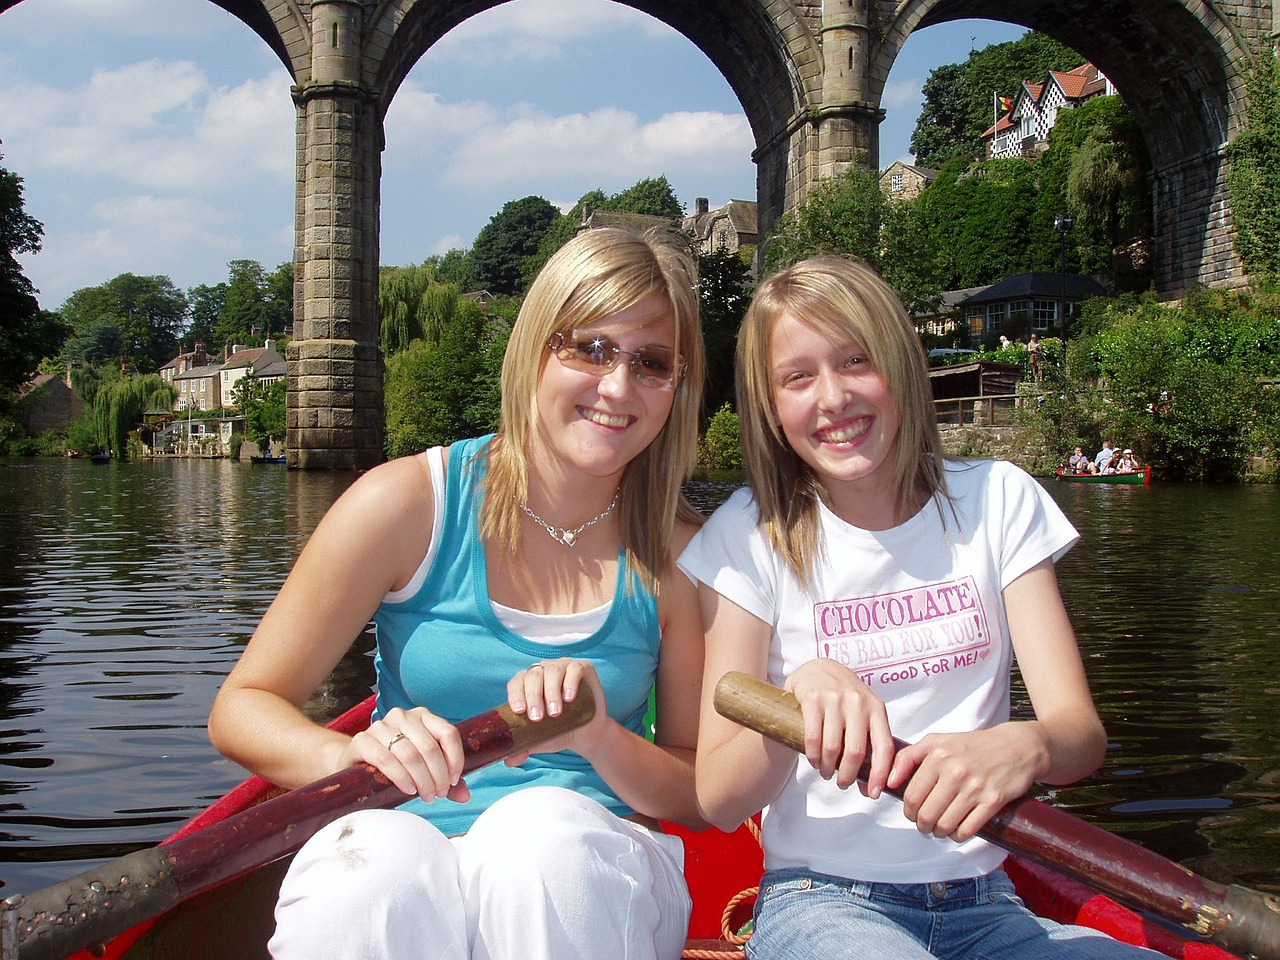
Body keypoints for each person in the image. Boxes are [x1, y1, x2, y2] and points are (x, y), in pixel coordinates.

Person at [208, 227, 709, 960]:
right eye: (590, 348)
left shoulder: (683, 556)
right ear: (536, 348)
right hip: (404, 828)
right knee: (369, 872)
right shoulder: (406, 504)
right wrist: (344, 761)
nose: (617, 386)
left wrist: (599, 737)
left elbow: (697, 788)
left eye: (651, 363)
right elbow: (243, 707)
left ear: (677, 385)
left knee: (538, 843)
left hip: (596, 863)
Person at [680, 256, 1161, 960]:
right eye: (798, 377)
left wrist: (1028, 745)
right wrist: (794, 700)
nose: (834, 397)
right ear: (771, 404)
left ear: (902, 365)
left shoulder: (998, 500)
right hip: (821, 901)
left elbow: (1079, 735)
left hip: (988, 901)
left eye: (856, 361)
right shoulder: (746, 535)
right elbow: (718, 798)